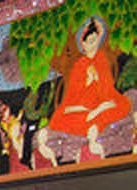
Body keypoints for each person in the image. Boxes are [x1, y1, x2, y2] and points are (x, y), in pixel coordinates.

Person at [41, 17, 131, 161]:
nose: (92, 45)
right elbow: (73, 93)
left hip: (102, 100)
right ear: (82, 44)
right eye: (89, 41)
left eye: (95, 40)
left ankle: (96, 118)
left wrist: (97, 81)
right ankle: (93, 120)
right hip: (82, 103)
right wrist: (87, 82)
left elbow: (107, 88)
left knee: (123, 105)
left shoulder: (101, 59)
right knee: (59, 119)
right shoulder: (79, 65)